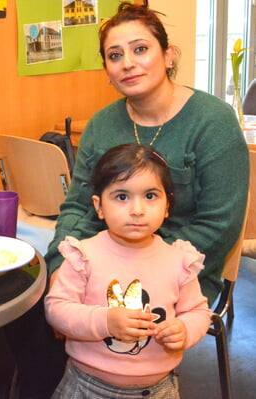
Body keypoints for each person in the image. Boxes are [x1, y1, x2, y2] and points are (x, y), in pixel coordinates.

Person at [45, 1, 249, 307]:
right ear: (107, 72)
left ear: (168, 56)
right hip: (100, 262)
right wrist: (59, 264)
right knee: (31, 308)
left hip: (181, 272)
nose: (127, 63)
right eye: (115, 55)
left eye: (140, 49)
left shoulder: (213, 122)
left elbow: (218, 227)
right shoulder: (101, 125)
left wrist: (129, 267)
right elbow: (78, 207)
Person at [45, 143, 212, 398]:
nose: (137, 210)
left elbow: (198, 311)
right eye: (122, 197)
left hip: (159, 390)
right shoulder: (83, 255)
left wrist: (185, 329)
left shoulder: (180, 260)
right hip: (87, 386)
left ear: (167, 206)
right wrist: (106, 321)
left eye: (150, 196)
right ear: (99, 206)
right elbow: (57, 308)